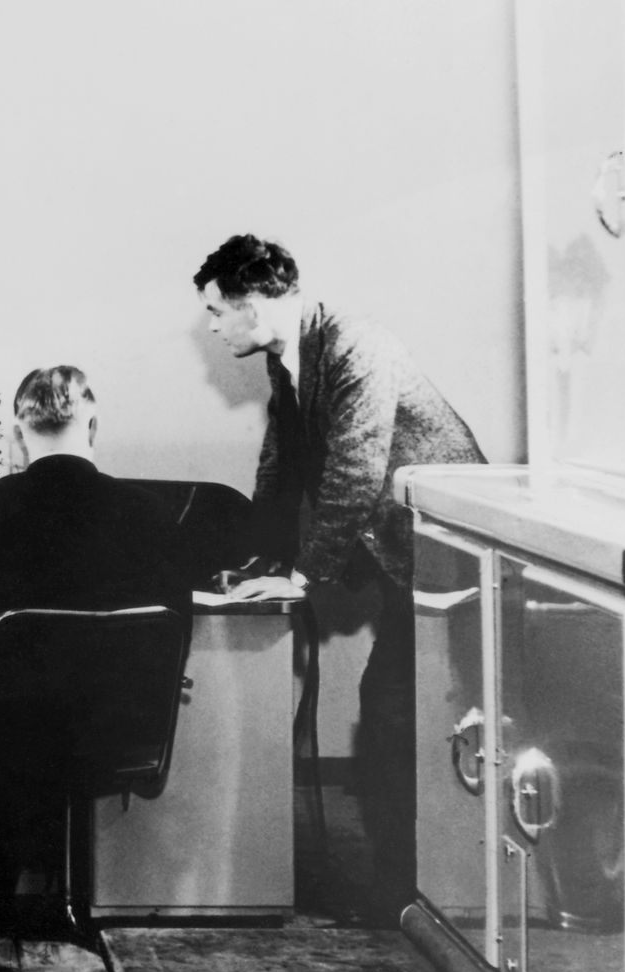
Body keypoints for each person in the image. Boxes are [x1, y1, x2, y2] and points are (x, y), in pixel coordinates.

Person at [192, 233, 486, 921]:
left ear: (255, 300)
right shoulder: (290, 359)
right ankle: (403, 889)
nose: (210, 326)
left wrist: (300, 577)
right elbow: (283, 466)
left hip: (449, 559)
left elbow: (355, 467)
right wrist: (253, 562)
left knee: (392, 715)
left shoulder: (356, 345)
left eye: (215, 310)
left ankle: (404, 897)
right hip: (398, 554)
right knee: (390, 716)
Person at [0, 365, 189, 912]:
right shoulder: (152, 513)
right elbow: (173, 624)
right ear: (92, 422)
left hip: (4, 734)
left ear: (19, 429)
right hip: (115, 728)